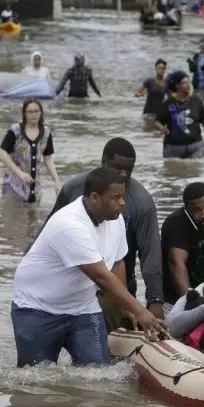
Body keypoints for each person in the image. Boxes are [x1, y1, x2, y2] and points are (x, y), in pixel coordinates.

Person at [11, 167, 167, 367]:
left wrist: (125, 307)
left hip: (83, 308)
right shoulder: (70, 224)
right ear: (94, 197)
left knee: (97, 375)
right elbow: (101, 276)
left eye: (123, 197)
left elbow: (117, 262)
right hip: (38, 308)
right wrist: (140, 311)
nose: (123, 203)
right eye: (116, 197)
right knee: (35, 380)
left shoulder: (116, 219)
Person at [45, 138, 165, 326]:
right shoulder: (73, 189)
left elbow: (151, 256)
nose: (124, 174)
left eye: (129, 170)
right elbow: (47, 234)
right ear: (103, 161)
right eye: (117, 168)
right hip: (71, 286)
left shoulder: (142, 203)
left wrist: (155, 300)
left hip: (117, 289)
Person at [0, 99, 61, 203]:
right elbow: (2, 153)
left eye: (37, 111)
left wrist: (56, 180)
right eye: (30, 112)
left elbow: (48, 159)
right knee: (12, 215)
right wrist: (20, 173)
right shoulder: (15, 131)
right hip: (13, 184)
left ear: (41, 113)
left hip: (34, 186)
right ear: (24, 113)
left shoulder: (46, 133)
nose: (34, 114)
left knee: (32, 216)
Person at [154, 70, 204, 158]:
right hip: (173, 147)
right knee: (173, 170)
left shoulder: (197, 101)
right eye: (184, 83)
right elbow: (157, 121)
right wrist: (161, 128)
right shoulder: (168, 104)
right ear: (177, 86)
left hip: (196, 146)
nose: (188, 85)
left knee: (195, 169)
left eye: (189, 82)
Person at [135, 58, 167, 125]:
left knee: (158, 134)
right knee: (148, 134)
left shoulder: (167, 83)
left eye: (163, 68)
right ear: (155, 69)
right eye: (159, 68)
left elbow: (171, 96)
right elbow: (136, 93)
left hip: (159, 114)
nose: (161, 70)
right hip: (148, 113)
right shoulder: (149, 81)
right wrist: (140, 94)